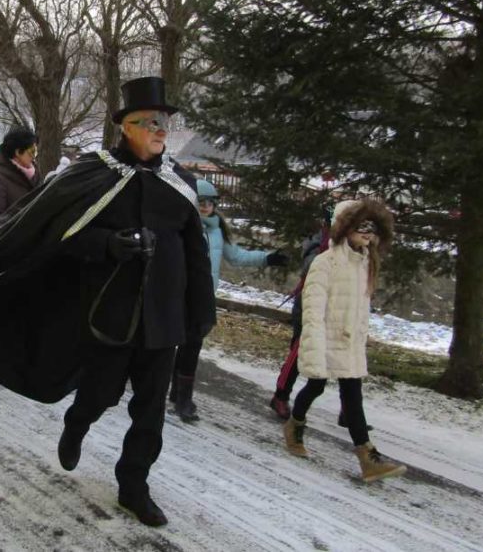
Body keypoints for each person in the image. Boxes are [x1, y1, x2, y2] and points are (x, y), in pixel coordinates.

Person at [0, 76, 216, 527]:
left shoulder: (180, 182)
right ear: (128, 127)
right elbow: (48, 235)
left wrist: (200, 311)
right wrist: (106, 244)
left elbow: (195, 251)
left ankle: (133, 486)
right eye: (151, 122)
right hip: (109, 314)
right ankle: (77, 423)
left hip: (162, 317)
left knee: (151, 411)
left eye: (166, 122)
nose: (161, 129)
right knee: (100, 394)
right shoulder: (91, 173)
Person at [282, 199, 406, 483]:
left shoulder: (365, 263)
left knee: (353, 397)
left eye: (371, 228)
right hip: (326, 340)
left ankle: (367, 458)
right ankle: (295, 424)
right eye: (360, 226)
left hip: (349, 343)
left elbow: (360, 310)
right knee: (315, 386)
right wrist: (313, 348)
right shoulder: (325, 263)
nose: (366, 233)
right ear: (344, 228)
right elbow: (313, 311)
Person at [169, 180, 288, 422]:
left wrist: (268, 258)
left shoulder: (217, 230)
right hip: (180, 294)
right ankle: (178, 395)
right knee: (181, 343)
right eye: (201, 202)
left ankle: (180, 395)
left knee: (191, 345)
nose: (206, 207)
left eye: (211, 202)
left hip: (204, 297)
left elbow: (236, 257)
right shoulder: (180, 227)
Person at [269, 211, 331, 419]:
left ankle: (348, 410)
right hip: (309, 306)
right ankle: (281, 395)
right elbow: (310, 267)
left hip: (335, 311)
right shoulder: (318, 244)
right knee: (298, 353)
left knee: (340, 358)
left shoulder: (352, 246)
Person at [0, 127, 39, 228]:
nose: (34, 156)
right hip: (13, 239)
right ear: (18, 152)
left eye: (36, 151)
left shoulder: (35, 172)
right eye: (31, 151)